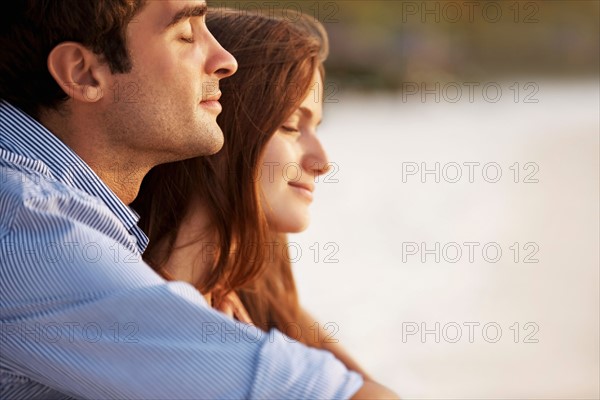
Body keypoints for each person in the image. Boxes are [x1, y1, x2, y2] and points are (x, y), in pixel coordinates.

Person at [0, 0, 398, 398]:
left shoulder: (74, 224)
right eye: (185, 34)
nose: (226, 61)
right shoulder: (29, 228)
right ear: (83, 73)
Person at [133, 8, 373, 379]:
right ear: (217, 122)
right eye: (292, 126)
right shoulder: (144, 315)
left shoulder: (253, 287)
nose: (322, 161)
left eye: (316, 128)